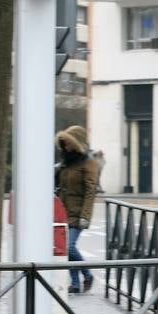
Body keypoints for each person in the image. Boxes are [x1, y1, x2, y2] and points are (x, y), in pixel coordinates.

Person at [55, 125, 99, 294]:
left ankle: (87, 274)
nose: (65, 146)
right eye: (63, 143)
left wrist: (85, 216)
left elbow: (90, 192)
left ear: (76, 143)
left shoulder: (89, 164)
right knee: (66, 250)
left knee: (69, 247)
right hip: (62, 211)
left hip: (77, 212)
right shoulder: (66, 162)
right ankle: (75, 283)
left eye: (67, 143)